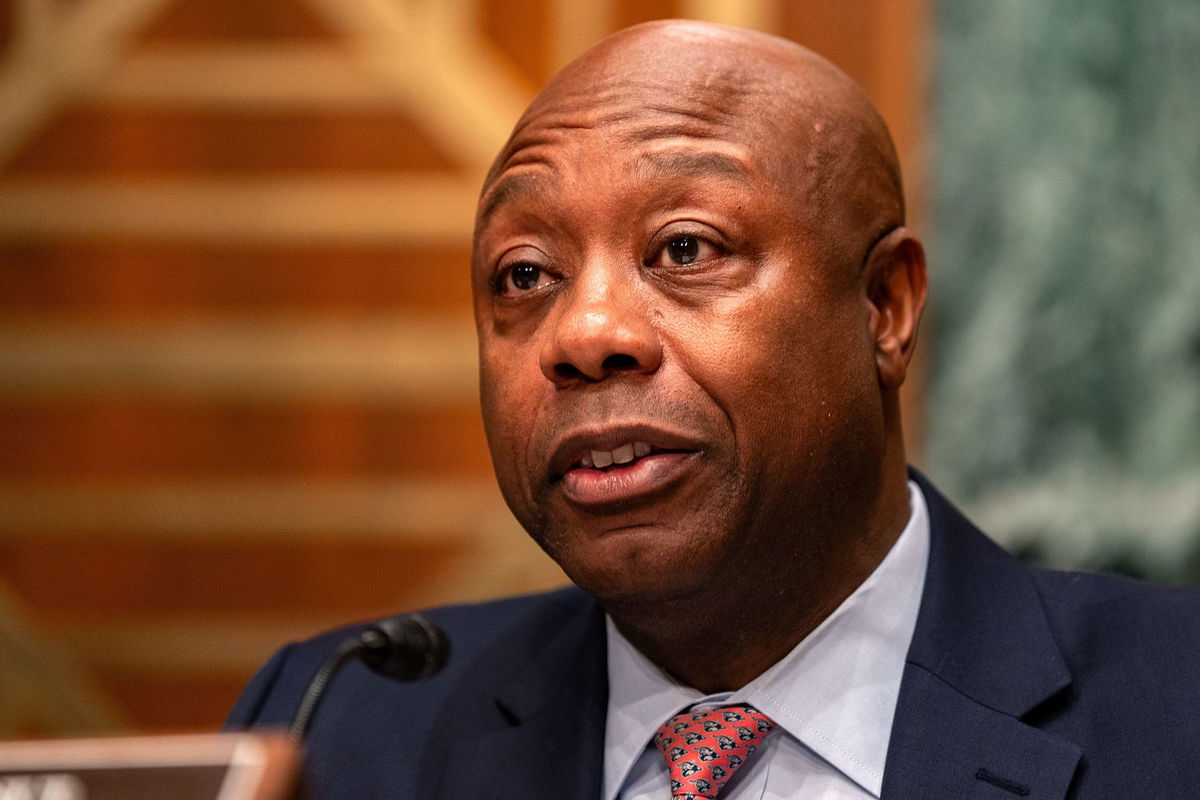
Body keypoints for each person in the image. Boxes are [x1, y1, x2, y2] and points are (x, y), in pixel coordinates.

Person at [227, 20, 1200, 799]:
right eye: (525, 273)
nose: (584, 332)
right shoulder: (341, 721)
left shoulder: (1177, 709)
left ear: (885, 307)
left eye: (686, 249)